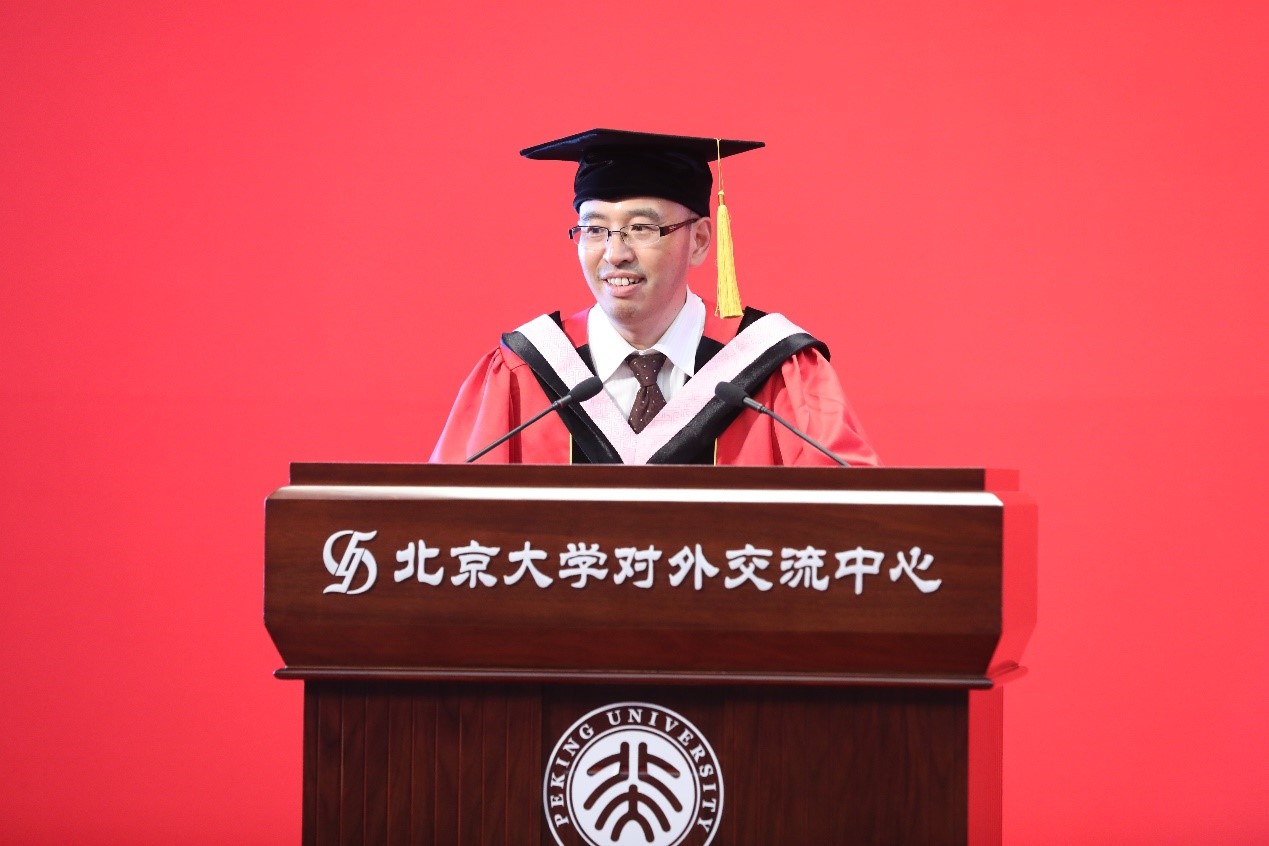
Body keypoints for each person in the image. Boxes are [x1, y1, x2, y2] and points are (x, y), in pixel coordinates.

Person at [429, 129, 878, 466]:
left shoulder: (778, 372)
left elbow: (854, 518)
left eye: (642, 228)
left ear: (699, 241)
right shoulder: (521, 371)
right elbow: (446, 522)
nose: (615, 254)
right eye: (594, 229)